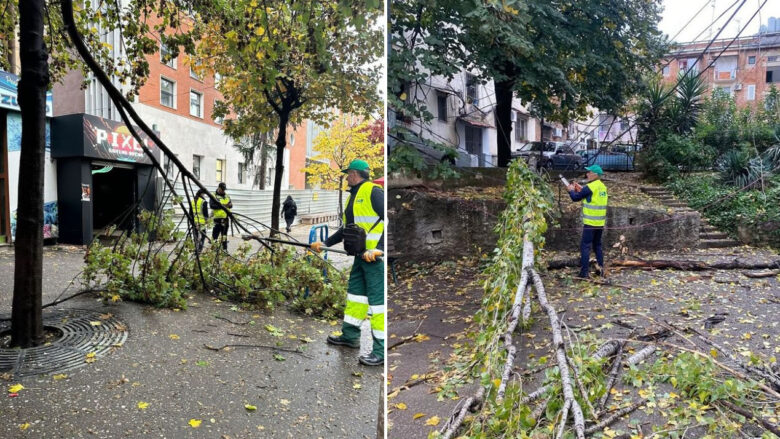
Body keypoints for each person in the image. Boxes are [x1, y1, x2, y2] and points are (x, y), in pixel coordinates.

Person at [311, 159, 384, 366]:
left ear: (354, 173)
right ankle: (350, 337)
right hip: (360, 259)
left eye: (347, 174)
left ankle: (380, 351)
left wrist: (380, 248)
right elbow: (347, 229)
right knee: (355, 298)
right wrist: (324, 242)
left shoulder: (373, 191)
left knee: (378, 305)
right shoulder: (353, 197)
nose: (346, 178)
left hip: (375, 260)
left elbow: (388, 218)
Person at [567, 165, 608, 279]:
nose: (587, 174)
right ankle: (601, 269)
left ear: (595, 174)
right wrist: (581, 189)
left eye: (589, 172)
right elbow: (590, 197)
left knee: (585, 246)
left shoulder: (590, 186)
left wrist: (570, 190)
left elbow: (575, 198)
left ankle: (584, 273)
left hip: (590, 223)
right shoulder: (602, 186)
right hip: (600, 223)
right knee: (597, 246)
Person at [210, 182, 233, 251]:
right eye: (222, 189)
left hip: (225, 218)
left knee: (224, 235)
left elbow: (231, 205)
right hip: (217, 219)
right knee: (215, 235)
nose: (223, 191)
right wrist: (223, 206)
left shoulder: (227, 195)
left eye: (224, 189)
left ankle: (225, 249)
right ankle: (214, 249)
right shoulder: (214, 195)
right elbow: (212, 206)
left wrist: (230, 205)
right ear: (219, 188)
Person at [189, 189, 209, 253]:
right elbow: (205, 213)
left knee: (196, 236)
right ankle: (200, 249)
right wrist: (207, 221)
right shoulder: (203, 202)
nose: (204, 195)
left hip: (194, 222)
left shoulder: (192, 201)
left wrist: (192, 222)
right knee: (203, 236)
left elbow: (190, 213)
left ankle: (196, 249)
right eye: (204, 194)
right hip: (202, 222)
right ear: (201, 194)